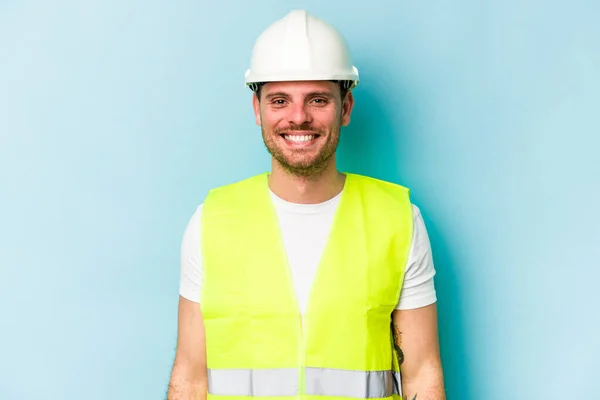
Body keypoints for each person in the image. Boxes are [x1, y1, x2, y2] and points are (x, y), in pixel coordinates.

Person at [167, 9, 446, 400]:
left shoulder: (397, 220)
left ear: (345, 108)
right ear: (258, 110)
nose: (298, 117)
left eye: (317, 99)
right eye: (280, 100)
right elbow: (190, 377)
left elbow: (421, 375)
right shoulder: (212, 221)